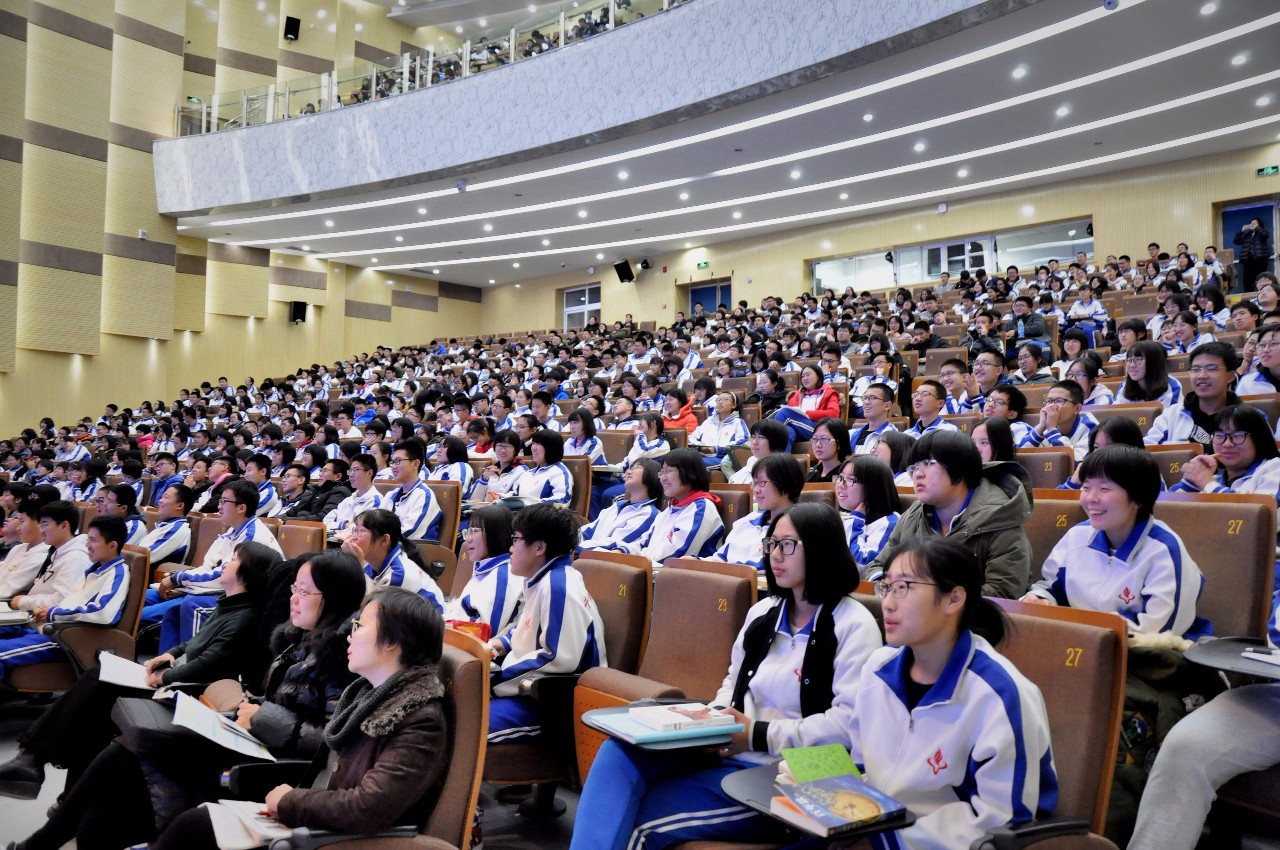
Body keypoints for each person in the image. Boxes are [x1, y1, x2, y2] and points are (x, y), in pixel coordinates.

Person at [570, 503, 883, 850]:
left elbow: (847, 728)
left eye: (788, 545)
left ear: (822, 548)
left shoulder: (854, 626)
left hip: (788, 772)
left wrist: (756, 735)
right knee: (619, 753)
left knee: (637, 823)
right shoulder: (764, 613)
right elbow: (732, 685)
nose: (775, 555)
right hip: (733, 753)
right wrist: (714, 722)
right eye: (771, 544)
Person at [7, 551, 366, 850]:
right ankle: (43, 833)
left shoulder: (341, 659)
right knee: (118, 768)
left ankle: (40, 837)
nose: (293, 598)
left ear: (332, 598)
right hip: (253, 743)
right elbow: (276, 700)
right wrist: (244, 707)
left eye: (305, 591)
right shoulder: (295, 641)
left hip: (275, 769)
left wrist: (259, 715)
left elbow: (332, 740)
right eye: (293, 588)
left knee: (126, 754)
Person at [151, 586, 451, 849]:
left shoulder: (419, 720)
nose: (350, 633)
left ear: (392, 642)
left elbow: (367, 807)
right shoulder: (366, 696)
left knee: (197, 827)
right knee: (195, 816)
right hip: (316, 812)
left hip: (336, 836)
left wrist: (290, 801)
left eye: (360, 625)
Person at [0, 541, 279, 800]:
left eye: (232, 559)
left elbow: (210, 663)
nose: (224, 564)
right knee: (94, 711)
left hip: (188, 694)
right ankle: (53, 781)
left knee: (97, 684)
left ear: (246, 573)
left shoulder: (245, 616)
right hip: (179, 681)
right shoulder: (229, 604)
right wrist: (171, 654)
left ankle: (33, 758)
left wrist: (164, 676)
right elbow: (196, 643)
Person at [845, 538, 1056, 849]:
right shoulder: (878, 668)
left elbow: (1004, 822)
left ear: (953, 599)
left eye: (904, 587)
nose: (887, 602)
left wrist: (887, 841)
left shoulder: (1000, 693)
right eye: (886, 587)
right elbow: (861, 766)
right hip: (875, 830)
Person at [1023, 445, 1205, 637]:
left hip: (1146, 657)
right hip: (1080, 643)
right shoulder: (1077, 536)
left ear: (1138, 497)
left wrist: (1082, 629)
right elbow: (1052, 587)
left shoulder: (1163, 550)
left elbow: (1159, 631)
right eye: (1086, 487)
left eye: (1104, 488)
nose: (1091, 498)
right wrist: (1039, 599)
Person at [488, 503, 606, 745]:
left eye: (516, 539)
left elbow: (556, 658)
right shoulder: (543, 578)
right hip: (532, 690)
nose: (510, 548)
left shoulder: (558, 585)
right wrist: (500, 644)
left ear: (540, 547)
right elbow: (529, 628)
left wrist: (494, 681)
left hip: (556, 703)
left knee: (464, 725)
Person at [866, 431, 1033, 598]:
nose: (918, 474)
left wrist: (925, 600)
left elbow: (1002, 594)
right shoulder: (914, 513)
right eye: (914, 467)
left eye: (927, 463)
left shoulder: (1000, 518)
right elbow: (879, 566)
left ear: (959, 469)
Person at [1172, 403, 1280, 589]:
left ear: (1258, 438)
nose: (1227, 443)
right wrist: (1190, 483)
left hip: (1262, 567)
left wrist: (1207, 484)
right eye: (1220, 436)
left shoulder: (1273, 468)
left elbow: (1255, 521)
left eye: (1238, 436)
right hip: (1209, 563)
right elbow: (1167, 516)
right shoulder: (1213, 479)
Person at [708, 454, 802, 571]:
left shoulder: (797, 527)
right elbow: (720, 558)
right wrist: (696, 562)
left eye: (762, 482)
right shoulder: (746, 521)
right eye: (754, 483)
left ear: (785, 483)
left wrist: (727, 570)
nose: (756, 490)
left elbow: (768, 568)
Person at [1144, 341, 1241, 452]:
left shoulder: (1248, 418)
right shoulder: (1172, 415)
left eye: (1211, 369)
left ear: (1230, 376)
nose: (1202, 376)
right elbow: (1146, 450)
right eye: (1195, 369)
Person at [634, 449, 725, 565]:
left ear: (689, 472)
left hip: (690, 578)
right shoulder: (671, 508)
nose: (663, 478)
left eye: (668, 471)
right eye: (662, 472)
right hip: (655, 570)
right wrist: (624, 552)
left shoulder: (701, 507)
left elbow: (677, 554)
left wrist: (640, 561)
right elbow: (645, 541)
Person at [343, 507, 444, 609]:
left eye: (360, 531)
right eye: (354, 530)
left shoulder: (398, 574)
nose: (353, 537)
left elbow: (368, 611)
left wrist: (356, 564)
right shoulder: (371, 562)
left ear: (385, 540)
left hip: (429, 622)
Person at [446, 504, 523, 637]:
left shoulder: (503, 576)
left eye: (474, 532)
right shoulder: (485, 569)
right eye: (467, 532)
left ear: (495, 534)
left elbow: (482, 634)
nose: (468, 539)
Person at [579, 458, 663, 554]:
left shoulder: (649, 513)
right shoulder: (616, 507)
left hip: (604, 562)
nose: (629, 471)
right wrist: (567, 540)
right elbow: (587, 531)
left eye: (637, 467)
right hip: (587, 554)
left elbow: (615, 544)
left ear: (651, 475)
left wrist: (574, 547)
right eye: (630, 468)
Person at [834, 454, 901, 573]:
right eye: (840, 477)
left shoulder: (890, 522)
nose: (840, 484)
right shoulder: (847, 518)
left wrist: (855, 521)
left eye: (851, 479)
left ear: (873, 487)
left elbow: (864, 565)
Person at [1020, 380, 1098, 461]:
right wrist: (1041, 427)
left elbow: (1079, 463)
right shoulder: (1045, 426)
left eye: (1059, 401)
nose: (1051, 406)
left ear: (1077, 408)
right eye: (1049, 401)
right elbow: (1021, 456)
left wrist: (1052, 430)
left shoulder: (1090, 426)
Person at [385, 439, 442, 541]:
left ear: (415, 464)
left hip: (413, 552)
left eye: (398, 461)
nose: (393, 467)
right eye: (392, 462)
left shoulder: (424, 495)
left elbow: (410, 533)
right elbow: (376, 522)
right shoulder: (391, 495)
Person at [772, 364, 841, 448]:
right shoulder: (798, 394)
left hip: (820, 429)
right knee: (788, 431)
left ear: (818, 376)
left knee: (784, 413)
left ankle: (769, 441)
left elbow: (834, 414)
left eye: (808, 375)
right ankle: (782, 460)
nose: (805, 378)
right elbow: (790, 409)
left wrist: (807, 414)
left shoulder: (828, 393)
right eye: (803, 376)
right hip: (799, 428)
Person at [324, 453, 386, 534]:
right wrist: (344, 525)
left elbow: (361, 529)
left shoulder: (376, 502)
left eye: (356, 470)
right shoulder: (348, 500)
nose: (351, 475)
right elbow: (326, 521)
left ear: (369, 473)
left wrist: (340, 525)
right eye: (350, 470)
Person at [510, 429, 574, 506]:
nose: (534, 448)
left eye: (539, 444)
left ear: (551, 448)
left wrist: (530, 504)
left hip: (542, 516)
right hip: (521, 514)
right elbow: (514, 494)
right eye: (533, 443)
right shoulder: (528, 473)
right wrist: (499, 496)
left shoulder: (559, 472)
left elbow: (562, 500)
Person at [689, 390, 750, 466]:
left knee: (693, 464)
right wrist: (700, 447)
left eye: (725, 399)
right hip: (702, 455)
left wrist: (717, 449)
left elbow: (743, 441)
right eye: (718, 399)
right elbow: (691, 438)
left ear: (733, 405)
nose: (720, 402)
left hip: (722, 457)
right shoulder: (708, 421)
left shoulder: (738, 422)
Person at [1116, 340, 1182, 407]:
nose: (1132, 365)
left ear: (1153, 362)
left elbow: (1170, 416)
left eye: (1138, 359)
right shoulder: (1124, 385)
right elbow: (1116, 412)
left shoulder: (1172, 385)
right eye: (1129, 360)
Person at [470, 429, 528, 503]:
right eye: (500, 445)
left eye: (507, 446)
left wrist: (498, 498)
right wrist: (484, 480)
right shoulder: (490, 470)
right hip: (484, 510)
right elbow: (474, 499)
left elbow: (519, 498)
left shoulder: (521, 471)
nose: (503, 450)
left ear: (515, 450)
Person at [727, 419, 787, 484]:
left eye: (760, 437)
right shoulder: (751, 463)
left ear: (775, 441)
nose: (754, 442)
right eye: (753, 437)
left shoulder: (781, 469)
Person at [847, 383, 899, 455]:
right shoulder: (851, 434)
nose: (866, 402)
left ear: (887, 405)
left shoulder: (892, 436)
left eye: (873, 398)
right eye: (865, 398)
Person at [805, 417, 852, 482]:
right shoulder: (810, 477)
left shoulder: (847, 478)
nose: (818, 444)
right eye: (815, 439)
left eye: (824, 439)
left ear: (839, 443)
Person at [1234, 216, 1272, 291]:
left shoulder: (1262, 231)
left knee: (1261, 278)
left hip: (1260, 259)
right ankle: (1249, 297)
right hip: (1248, 260)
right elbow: (1236, 241)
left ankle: (1262, 292)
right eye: (1251, 223)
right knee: (1247, 280)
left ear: (1259, 225)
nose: (1252, 225)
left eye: (1254, 223)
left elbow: (1265, 235)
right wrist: (1241, 231)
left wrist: (1257, 228)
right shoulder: (1247, 233)